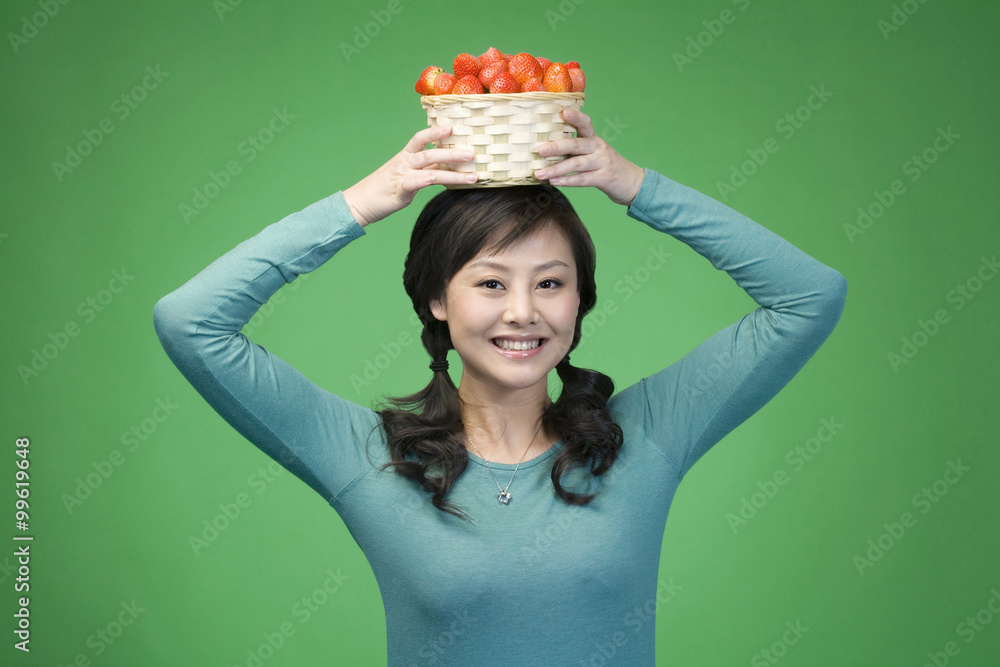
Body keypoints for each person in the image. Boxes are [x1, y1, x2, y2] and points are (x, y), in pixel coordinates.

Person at [153, 109, 847, 665]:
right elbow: (191, 322)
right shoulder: (370, 459)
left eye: (551, 282)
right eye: (490, 282)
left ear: (580, 302)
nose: (523, 311)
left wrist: (630, 182)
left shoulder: (645, 437)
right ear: (436, 299)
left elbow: (809, 297)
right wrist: (368, 201)